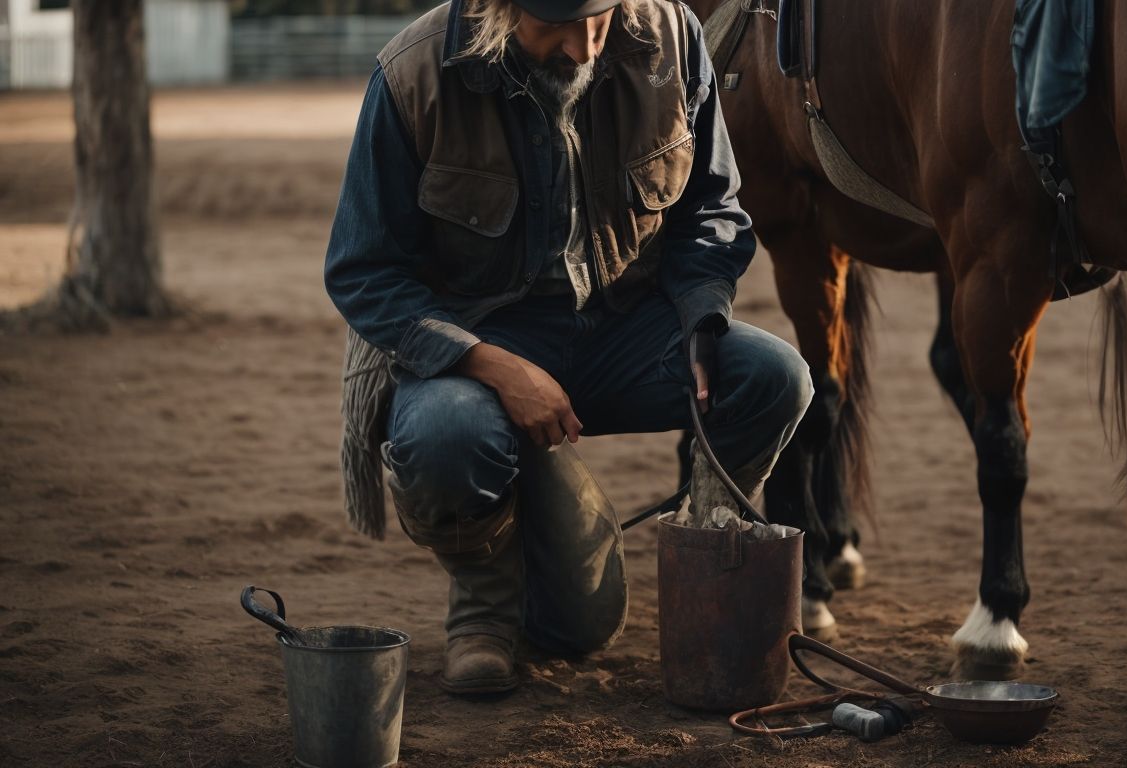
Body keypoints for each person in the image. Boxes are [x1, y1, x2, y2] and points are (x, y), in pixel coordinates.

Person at [324, 0, 812, 695]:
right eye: (557, 27)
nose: (584, 48)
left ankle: (709, 559)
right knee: (448, 435)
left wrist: (704, 316)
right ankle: (485, 613)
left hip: (626, 329)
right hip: (482, 342)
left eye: (599, 20)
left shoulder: (672, 35)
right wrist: (489, 365)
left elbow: (712, 208)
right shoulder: (413, 76)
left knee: (775, 377)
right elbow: (363, 271)